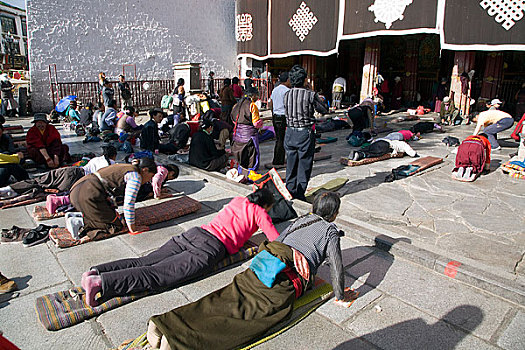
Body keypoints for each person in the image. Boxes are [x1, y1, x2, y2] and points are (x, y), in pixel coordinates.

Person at [145, 192, 355, 350]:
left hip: (261, 266)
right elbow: (336, 266)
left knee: (223, 298)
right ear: (333, 214)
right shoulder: (330, 232)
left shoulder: (301, 219)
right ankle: (177, 342)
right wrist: (340, 294)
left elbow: (278, 241)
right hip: (282, 279)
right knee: (249, 315)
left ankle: (163, 322)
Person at [80, 188, 279, 306]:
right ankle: (100, 283)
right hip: (210, 248)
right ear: (266, 205)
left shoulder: (238, 200)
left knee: (146, 261)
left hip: (194, 233)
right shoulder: (260, 213)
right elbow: (276, 239)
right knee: (158, 275)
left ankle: (97, 271)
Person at [69, 158, 157, 241]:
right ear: (145, 170)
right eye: (151, 176)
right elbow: (129, 204)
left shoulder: (127, 167)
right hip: (88, 193)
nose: (149, 180)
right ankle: (80, 222)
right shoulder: (136, 177)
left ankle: (77, 216)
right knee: (116, 225)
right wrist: (133, 228)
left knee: (111, 215)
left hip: (78, 189)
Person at [0, 145, 117, 201]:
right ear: (114, 155)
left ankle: (7, 190)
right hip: (77, 180)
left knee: (37, 181)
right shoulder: (111, 165)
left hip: (69, 171)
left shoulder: (97, 159)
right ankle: (15, 195)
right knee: (42, 190)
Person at [284, 65, 328, 201]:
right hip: (304, 133)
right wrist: (312, 91)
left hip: (290, 132)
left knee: (291, 163)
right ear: (304, 80)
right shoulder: (310, 94)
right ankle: (299, 193)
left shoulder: (287, 94)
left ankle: (290, 190)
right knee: (304, 164)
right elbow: (324, 109)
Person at [231, 87, 263, 170]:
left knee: (242, 157)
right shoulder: (252, 105)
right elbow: (256, 123)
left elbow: (233, 118)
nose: (257, 98)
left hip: (237, 136)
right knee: (251, 157)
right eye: (257, 95)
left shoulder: (236, 105)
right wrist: (261, 122)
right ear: (253, 96)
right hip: (249, 137)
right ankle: (250, 174)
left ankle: (242, 172)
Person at [268, 72, 290, 168]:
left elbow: (271, 104)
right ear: (287, 80)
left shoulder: (275, 90)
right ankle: (279, 160)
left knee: (278, 139)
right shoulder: (287, 91)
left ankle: (278, 158)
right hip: (283, 116)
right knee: (282, 139)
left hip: (275, 115)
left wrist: (273, 113)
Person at [348, 138, 417, 161]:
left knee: (369, 148)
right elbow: (412, 153)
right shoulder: (404, 144)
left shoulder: (395, 141)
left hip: (381, 141)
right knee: (375, 153)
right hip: (387, 146)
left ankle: (357, 152)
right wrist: (415, 154)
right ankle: (360, 155)